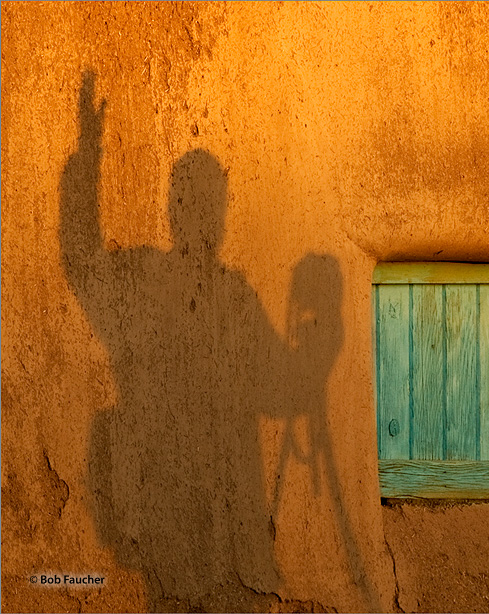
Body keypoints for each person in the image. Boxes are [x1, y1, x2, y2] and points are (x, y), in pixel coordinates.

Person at [61, 71, 289, 609]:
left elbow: (279, 387)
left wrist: (320, 349)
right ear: (175, 207)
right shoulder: (141, 279)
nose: (210, 212)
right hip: (169, 525)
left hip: (232, 529)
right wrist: (86, 162)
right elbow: (84, 264)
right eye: (195, 199)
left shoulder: (236, 296)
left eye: (217, 200)